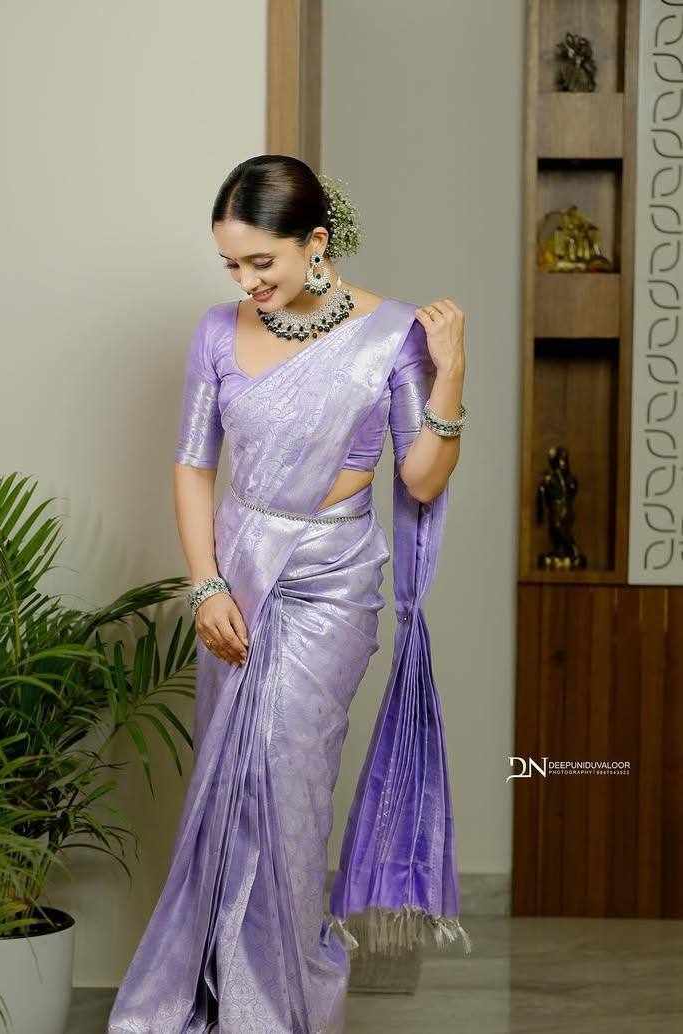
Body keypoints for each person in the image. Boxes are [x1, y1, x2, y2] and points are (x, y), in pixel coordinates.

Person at [108, 154, 471, 1034]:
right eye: (231, 264)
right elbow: (193, 464)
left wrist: (451, 372)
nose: (246, 282)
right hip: (236, 576)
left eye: (260, 261)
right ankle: (214, 998)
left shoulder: (389, 335)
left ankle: (278, 1008)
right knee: (226, 789)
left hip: (332, 585)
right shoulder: (215, 333)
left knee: (287, 789)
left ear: (315, 241)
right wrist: (205, 586)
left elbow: (421, 479)